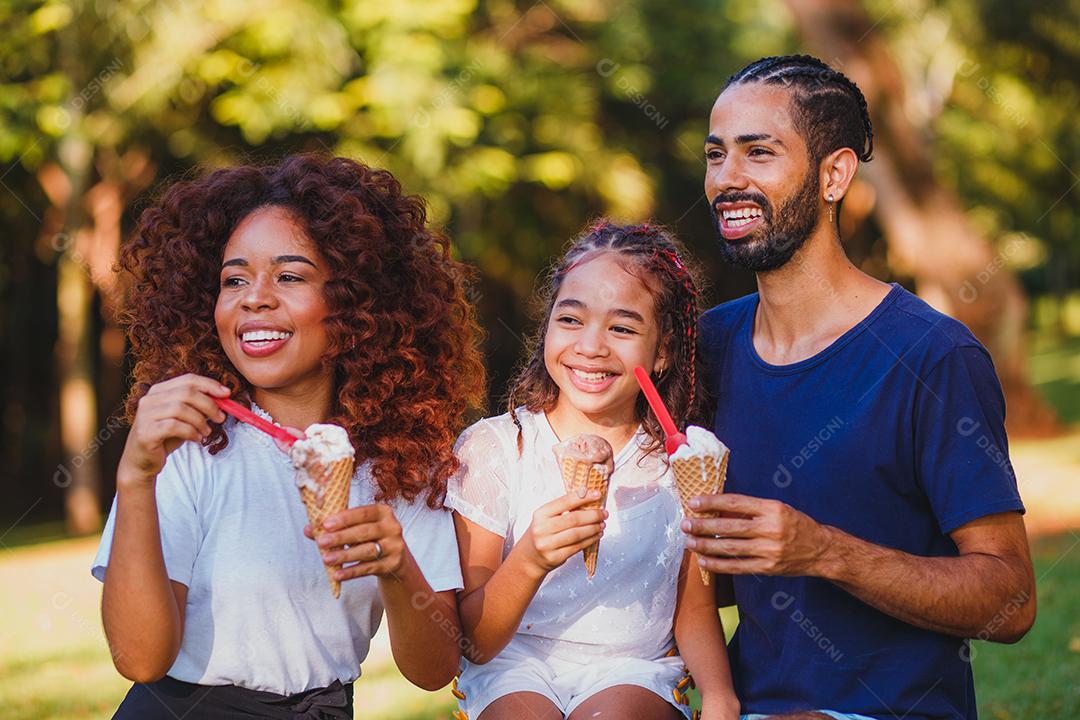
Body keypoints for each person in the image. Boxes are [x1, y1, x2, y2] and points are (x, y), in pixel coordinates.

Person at [683, 55, 1036, 720]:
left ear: (834, 175)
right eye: (716, 154)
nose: (727, 178)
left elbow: (1012, 602)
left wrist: (824, 552)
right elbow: (708, 578)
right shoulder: (706, 348)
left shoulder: (933, 355)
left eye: (759, 152)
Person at [91, 154, 486, 718]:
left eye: (290, 276)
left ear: (356, 303)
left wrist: (398, 567)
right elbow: (140, 659)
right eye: (234, 279)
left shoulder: (402, 462)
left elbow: (434, 671)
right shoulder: (188, 445)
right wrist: (134, 480)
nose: (254, 297)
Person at [447, 221, 740, 720]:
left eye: (622, 328)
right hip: (510, 663)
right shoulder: (494, 451)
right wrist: (531, 559)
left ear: (663, 351)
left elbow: (693, 606)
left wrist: (719, 695)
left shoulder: (683, 466)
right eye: (571, 319)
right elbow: (475, 641)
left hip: (632, 667)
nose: (591, 346)